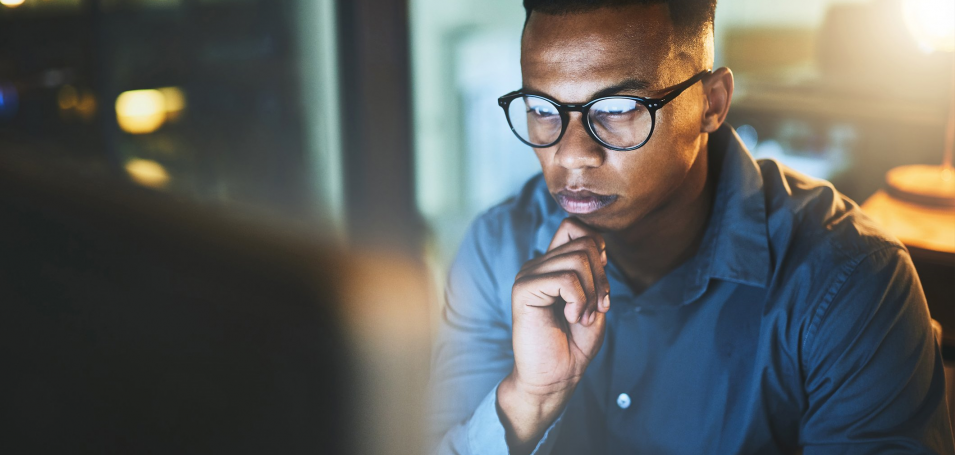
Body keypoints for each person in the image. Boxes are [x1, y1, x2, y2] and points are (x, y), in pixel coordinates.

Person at [427, 0, 955, 453]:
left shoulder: (852, 281)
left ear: (712, 103)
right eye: (543, 108)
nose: (571, 155)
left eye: (616, 108)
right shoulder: (496, 249)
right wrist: (531, 397)